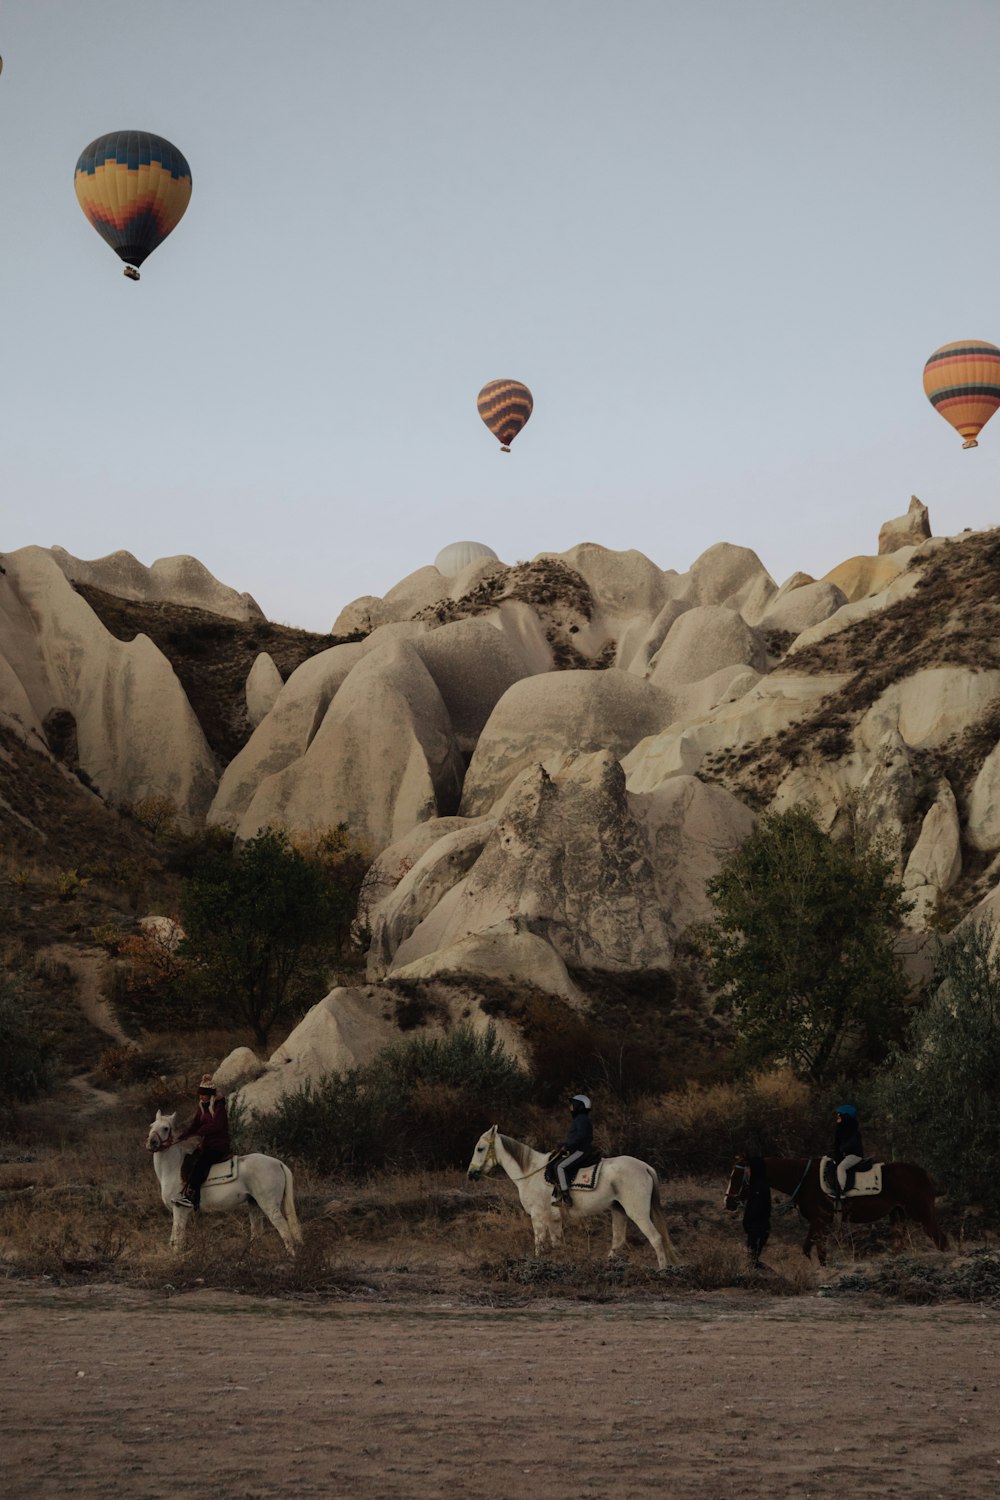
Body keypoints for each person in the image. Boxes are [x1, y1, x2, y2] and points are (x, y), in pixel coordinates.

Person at [173, 1074, 230, 1211]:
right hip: (207, 1144)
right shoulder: (202, 1108)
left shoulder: (219, 1107)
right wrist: (182, 1136)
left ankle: (190, 1196)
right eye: (200, 1094)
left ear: (210, 1095)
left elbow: (217, 1126)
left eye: (204, 1094)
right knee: (191, 1161)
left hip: (219, 1145)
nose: (201, 1097)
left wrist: (201, 1131)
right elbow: (194, 1126)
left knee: (201, 1164)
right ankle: (195, 1196)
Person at [550, 1094, 597, 1206]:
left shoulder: (580, 1119)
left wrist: (567, 1145)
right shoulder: (581, 1119)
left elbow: (580, 1136)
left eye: (572, 1104)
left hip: (581, 1151)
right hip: (580, 1149)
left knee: (559, 1166)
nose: (570, 1107)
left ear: (578, 1106)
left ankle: (566, 1198)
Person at [832, 1104, 864, 1197]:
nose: (837, 1117)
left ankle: (841, 1191)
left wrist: (842, 1150)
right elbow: (836, 1145)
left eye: (839, 1115)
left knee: (841, 1167)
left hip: (855, 1156)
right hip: (845, 1155)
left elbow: (851, 1144)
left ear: (846, 1117)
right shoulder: (840, 1130)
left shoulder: (854, 1131)